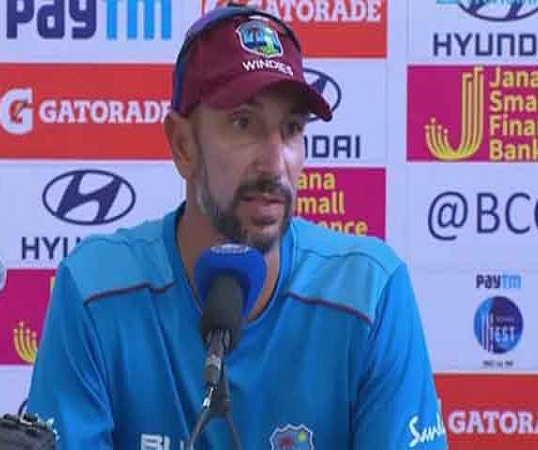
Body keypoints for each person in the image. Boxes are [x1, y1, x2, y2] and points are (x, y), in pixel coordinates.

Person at [26, 4, 448, 449]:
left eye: (291, 129)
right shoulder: (95, 292)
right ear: (183, 145)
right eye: (244, 123)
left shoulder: (369, 294)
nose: (275, 163)